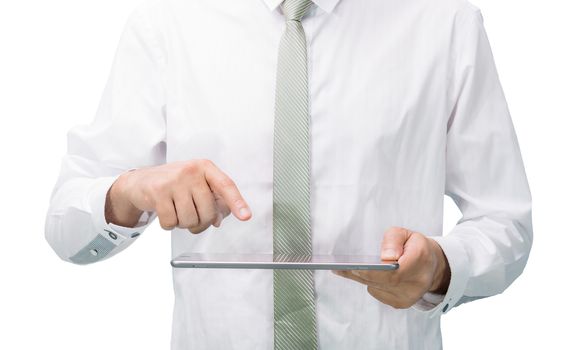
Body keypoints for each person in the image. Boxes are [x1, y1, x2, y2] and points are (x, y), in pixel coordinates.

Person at [45, 0, 533, 349]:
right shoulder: (166, 24)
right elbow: (66, 229)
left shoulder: (445, 23)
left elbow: (506, 222)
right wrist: (132, 190)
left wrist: (442, 267)